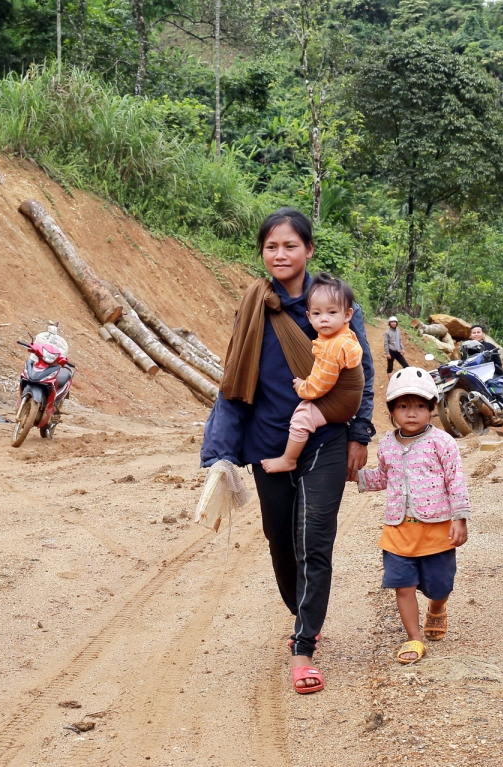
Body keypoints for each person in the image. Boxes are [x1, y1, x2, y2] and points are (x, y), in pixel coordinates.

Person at [201, 207, 375, 695]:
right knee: (281, 543)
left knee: (314, 541)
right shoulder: (254, 306)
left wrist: (360, 433)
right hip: (266, 441)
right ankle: (305, 613)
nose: (281, 254)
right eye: (271, 246)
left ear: (309, 250)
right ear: (262, 251)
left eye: (290, 245)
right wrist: (221, 453)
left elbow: (361, 375)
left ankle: (303, 648)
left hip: (325, 438)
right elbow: (235, 383)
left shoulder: (337, 304)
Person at [354, 367, 470, 665]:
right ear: (392, 411)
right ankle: (414, 638)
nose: (411, 413)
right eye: (403, 406)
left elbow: (455, 480)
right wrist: (355, 476)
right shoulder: (388, 444)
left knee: (440, 585)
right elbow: (384, 477)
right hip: (398, 530)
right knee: (402, 585)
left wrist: (459, 518)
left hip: (436, 531)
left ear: (432, 408)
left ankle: (437, 608)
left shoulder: (443, 443)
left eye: (420, 406)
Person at [261, 275, 364, 474]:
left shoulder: (333, 346)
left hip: (341, 404)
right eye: (317, 313)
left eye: (332, 312)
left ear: (348, 315)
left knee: (302, 416)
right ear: (309, 317)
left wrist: (303, 388)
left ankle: (288, 459)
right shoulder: (344, 336)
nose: (324, 318)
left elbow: (320, 384)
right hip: (348, 401)